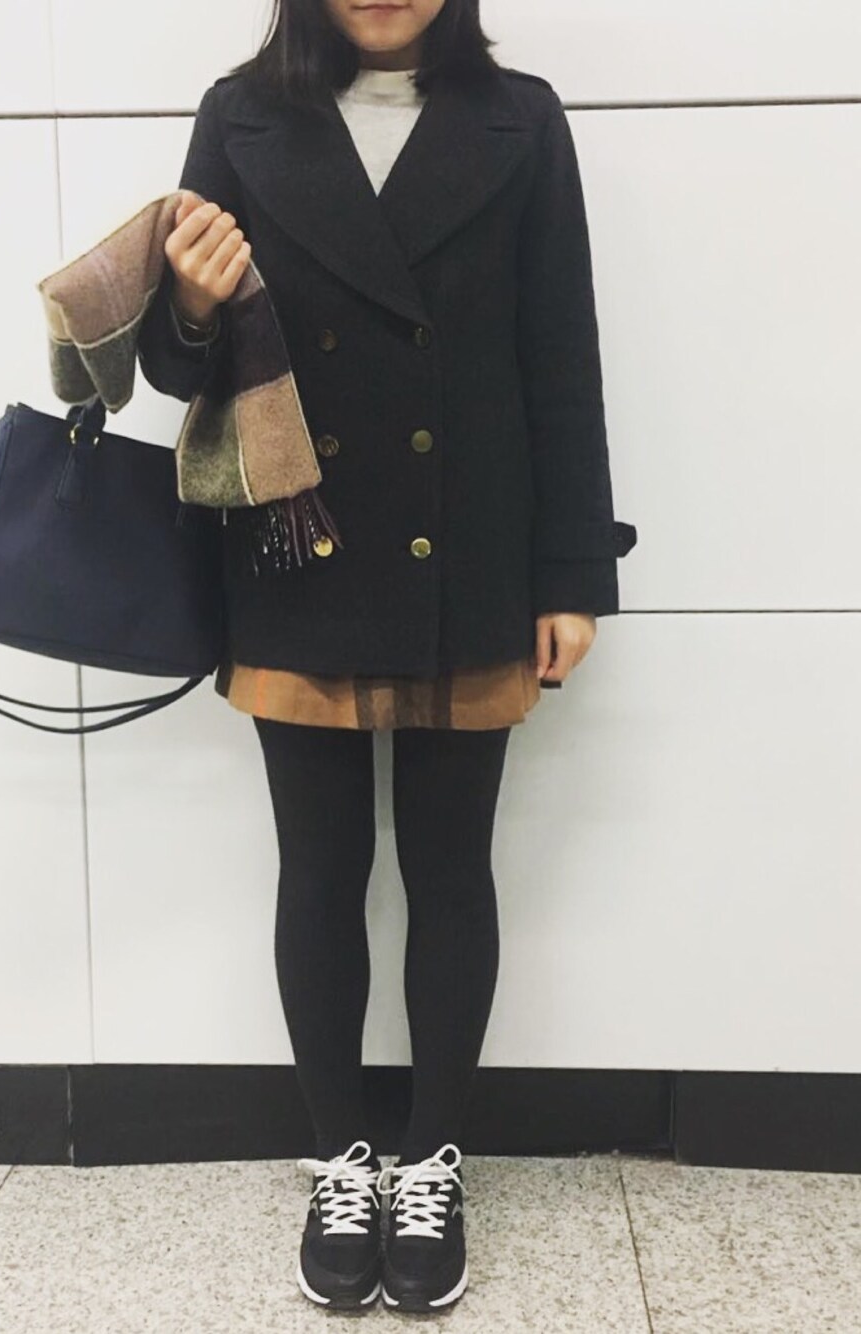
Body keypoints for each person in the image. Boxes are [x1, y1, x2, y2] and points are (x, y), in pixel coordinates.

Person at [137, 0, 637, 1316]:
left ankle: (432, 1158)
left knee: (450, 870)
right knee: (319, 870)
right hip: (295, 547)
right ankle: (342, 1159)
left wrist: (573, 573)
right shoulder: (242, 115)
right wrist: (189, 304)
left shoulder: (518, 118)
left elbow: (560, 354)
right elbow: (175, 368)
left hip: (468, 549)